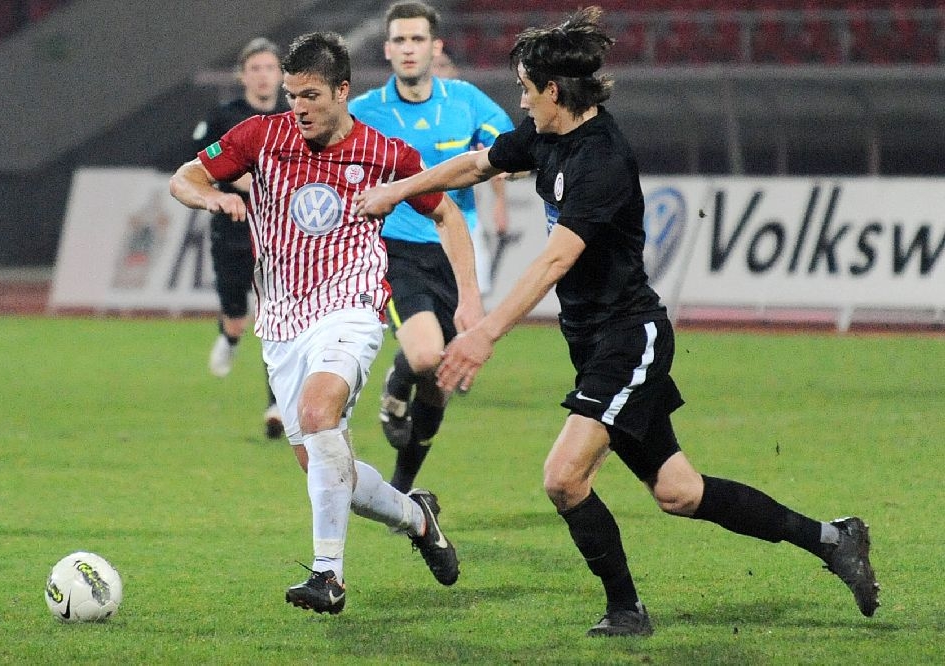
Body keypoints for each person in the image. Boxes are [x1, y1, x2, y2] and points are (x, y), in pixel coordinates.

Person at [353, 6, 880, 636]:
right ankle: (833, 538)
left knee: (563, 477)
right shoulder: (545, 133)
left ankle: (626, 610)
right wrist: (397, 190)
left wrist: (486, 331)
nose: (519, 101)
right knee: (680, 492)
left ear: (553, 90)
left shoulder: (602, 157)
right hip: (596, 341)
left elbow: (556, 258)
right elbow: (474, 164)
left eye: (525, 89)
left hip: (630, 338)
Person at [170, 30, 483, 616]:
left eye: (311, 95)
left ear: (343, 91)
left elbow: (445, 211)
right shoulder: (261, 137)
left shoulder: (383, 153)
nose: (300, 107)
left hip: (350, 308)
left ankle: (327, 576)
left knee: (320, 415)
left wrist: (469, 296)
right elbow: (185, 176)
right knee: (324, 466)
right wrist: (211, 198)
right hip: (283, 320)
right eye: (292, 95)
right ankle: (418, 517)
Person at [348, 1, 515, 492]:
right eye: (399, 40)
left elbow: (511, 147)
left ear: (435, 47)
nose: (408, 49)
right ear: (386, 49)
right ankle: (399, 381)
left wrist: (518, 165)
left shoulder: (465, 100)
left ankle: (402, 484)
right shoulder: (364, 111)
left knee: (442, 378)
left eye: (417, 39)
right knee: (425, 357)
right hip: (396, 250)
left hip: (456, 249)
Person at [191, 37, 289, 439]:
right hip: (232, 229)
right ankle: (229, 338)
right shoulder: (224, 117)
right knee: (238, 314)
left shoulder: (292, 115)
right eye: (256, 69)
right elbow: (203, 165)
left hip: (280, 234)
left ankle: (277, 402)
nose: (263, 76)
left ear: (280, 74)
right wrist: (247, 183)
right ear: (243, 76)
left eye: (270, 68)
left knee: (277, 316)